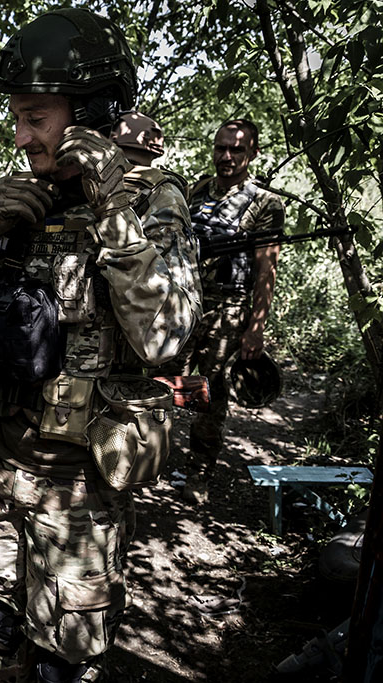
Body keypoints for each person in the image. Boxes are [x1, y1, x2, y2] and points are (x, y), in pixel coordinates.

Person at [0, 9, 202, 683]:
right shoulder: (20, 196)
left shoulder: (151, 201)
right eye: (17, 117)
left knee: (63, 663)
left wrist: (111, 213)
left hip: (81, 490)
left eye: (35, 116)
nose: (20, 136)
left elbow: (164, 338)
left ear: (90, 110)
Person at [173, 118, 285, 503]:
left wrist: (256, 327)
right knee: (166, 380)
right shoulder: (196, 190)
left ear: (252, 153)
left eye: (236, 149)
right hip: (183, 302)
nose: (226, 156)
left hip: (229, 309)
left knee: (211, 393)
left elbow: (266, 268)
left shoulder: (264, 204)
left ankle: (198, 474)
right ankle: (150, 457)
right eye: (221, 147)